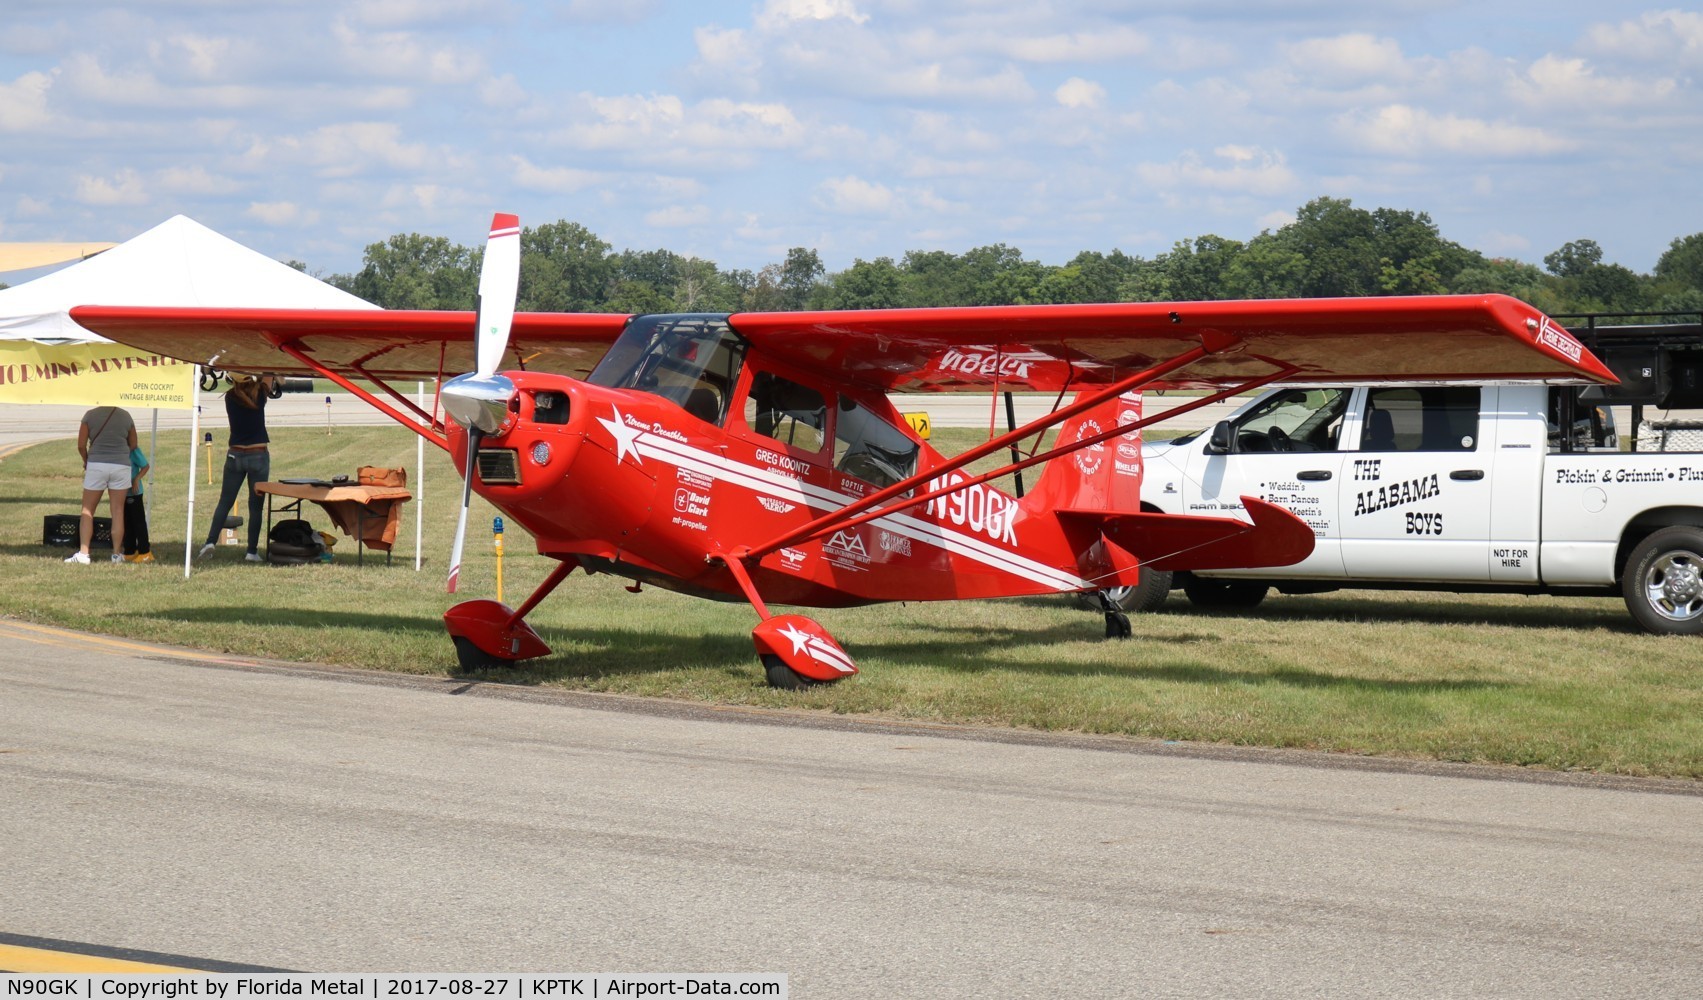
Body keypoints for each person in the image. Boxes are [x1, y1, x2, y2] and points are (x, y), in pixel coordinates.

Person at [200, 374, 276, 562]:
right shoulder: (260, 394)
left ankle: (210, 542)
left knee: (225, 501)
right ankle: (251, 551)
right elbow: (269, 376)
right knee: (255, 506)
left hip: (234, 454)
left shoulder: (229, 397)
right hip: (258, 454)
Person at [66, 405, 137, 565]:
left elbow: (80, 444)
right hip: (121, 465)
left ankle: (84, 553)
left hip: (97, 463)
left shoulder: (90, 415)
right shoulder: (126, 416)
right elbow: (133, 444)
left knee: (87, 510)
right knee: (118, 511)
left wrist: (86, 459)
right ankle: (116, 554)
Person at [123, 444, 154, 563]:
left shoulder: (133, 450)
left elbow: (145, 466)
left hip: (134, 493)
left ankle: (145, 551)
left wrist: (137, 479)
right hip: (122, 493)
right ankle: (129, 550)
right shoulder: (118, 449)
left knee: (138, 523)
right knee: (127, 523)